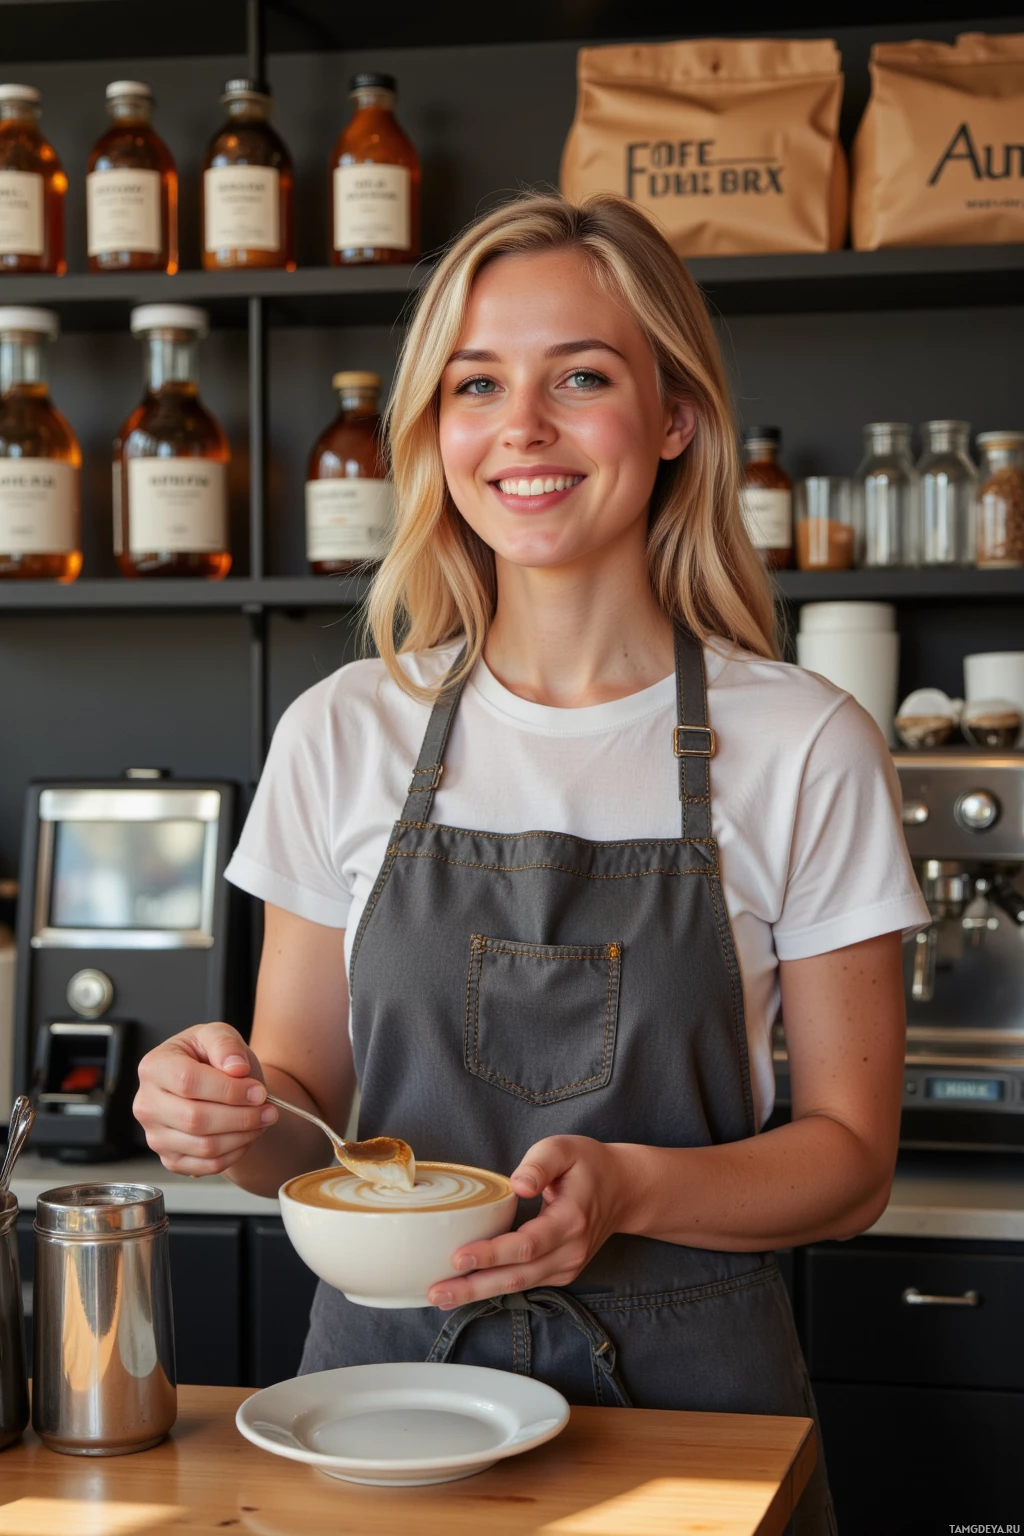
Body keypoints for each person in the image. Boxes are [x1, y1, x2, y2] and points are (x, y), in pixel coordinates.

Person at [134, 193, 928, 1534]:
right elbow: (299, 1113)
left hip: (690, 1399)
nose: (524, 427)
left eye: (582, 376)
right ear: (435, 430)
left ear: (674, 417)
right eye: (478, 382)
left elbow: (851, 1164)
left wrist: (634, 1190)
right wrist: (223, 1116)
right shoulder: (342, 726)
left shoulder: (803, 740)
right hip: (381, 1392)